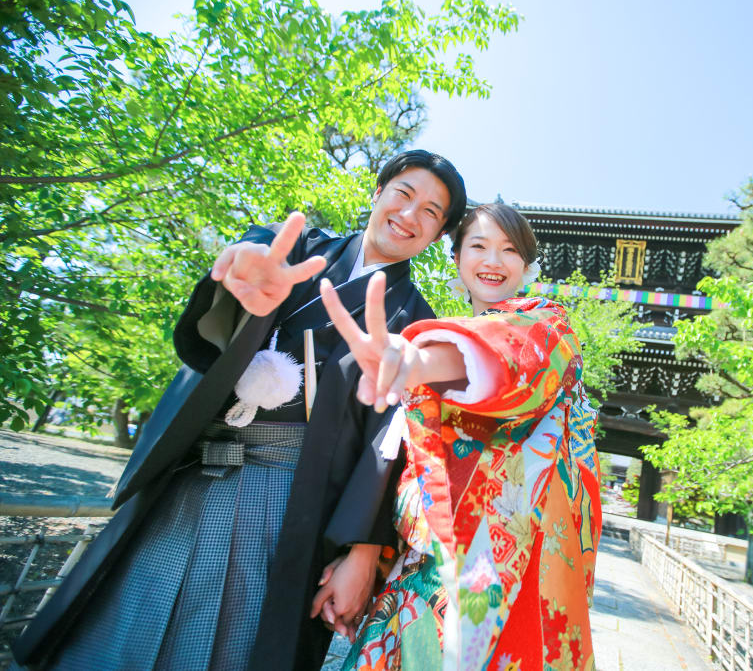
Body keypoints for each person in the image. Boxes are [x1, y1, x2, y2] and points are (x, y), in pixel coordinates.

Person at [13, 150, 467, 671]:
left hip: (289, 492)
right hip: (197, 465)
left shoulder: (415, 324)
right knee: (126, 616)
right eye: (403, 194)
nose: (410, 215)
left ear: (437, 236)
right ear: (378, 193)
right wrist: (238, 272)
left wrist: (363, 551)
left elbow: (392, 443)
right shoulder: (296, 250)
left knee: (237, 639)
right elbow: (254, 252)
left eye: (431, 212)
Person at [320, 203, 603, 670]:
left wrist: (418, 364)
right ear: (455, 258)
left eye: (510, 251)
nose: (493, 261)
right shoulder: (440, 331)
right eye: (479, 246)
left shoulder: (548, 325)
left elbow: (509, 354)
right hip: (426, 566)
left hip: (514, 564)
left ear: (527, 267)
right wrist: (365, 560)